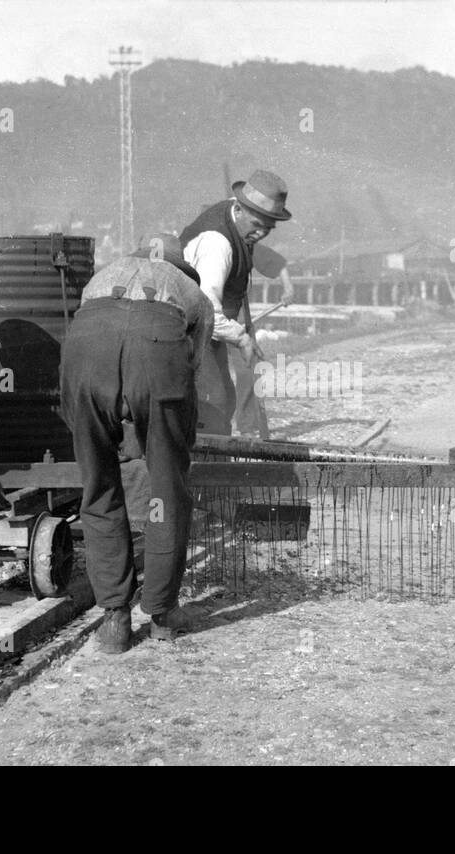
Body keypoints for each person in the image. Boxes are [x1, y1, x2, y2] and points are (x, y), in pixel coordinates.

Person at [60, 233, 214, 654]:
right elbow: (190, 370)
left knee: (99, 487)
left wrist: (120, 423)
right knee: (167, 489)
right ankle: (162, 614)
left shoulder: (101, 277)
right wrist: (157, 435)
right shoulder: (193, 294)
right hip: (158, 359)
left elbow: (102, 346)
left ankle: (114, 621)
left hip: (85, 355)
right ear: (181, 268)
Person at [180, 169, 292, 437]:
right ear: (239, 209)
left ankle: (221, 448)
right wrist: (242, 339)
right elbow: (207, 311)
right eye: (257, 225)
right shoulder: (217, 243)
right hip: (189, 323)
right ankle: (206, 466)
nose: (262, 233)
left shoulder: (241, 222)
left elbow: (268, 258)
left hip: (211, 325)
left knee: (223, 394)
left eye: (269, 227)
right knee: (212, 398)